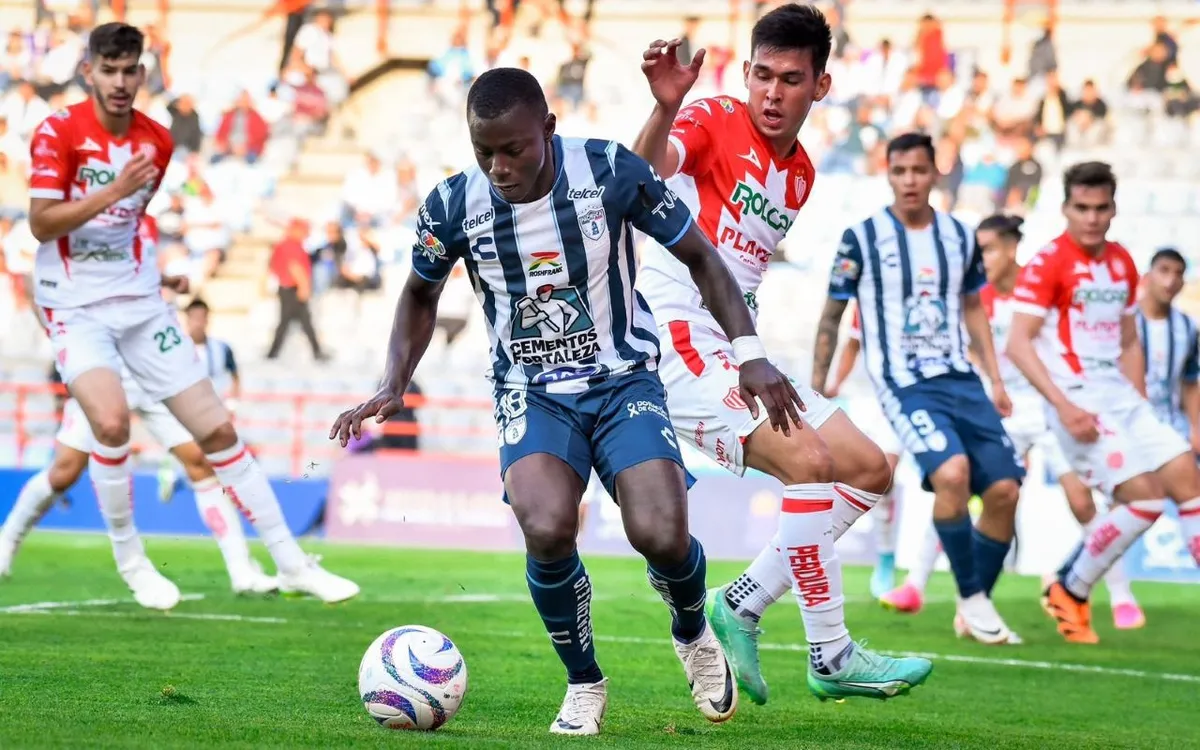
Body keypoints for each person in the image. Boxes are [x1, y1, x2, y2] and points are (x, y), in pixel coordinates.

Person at [329, 67, 805, 736]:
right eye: (483, 150)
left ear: (548, 130)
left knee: (661, 536)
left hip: (623, 380)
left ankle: (694, 631)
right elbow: (418, 293)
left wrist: (751, 352)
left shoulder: (610, 171)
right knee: (547, 525)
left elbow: (700, 255)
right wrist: (392, 380)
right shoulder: (451, 206)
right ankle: (584, 682)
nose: (498, 167)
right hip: (531, 392)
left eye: (513, 149)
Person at [632, 4, 932, 706]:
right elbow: (644, 173)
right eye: (761, 75)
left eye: (790, 80)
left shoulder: (799, 174)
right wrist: (663, 107)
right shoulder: (709, 118)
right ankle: (830, 652)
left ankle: (738, 604)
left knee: (868, 467)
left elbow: (740, 272)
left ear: (820, 87)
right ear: (745, 74)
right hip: (677, 338)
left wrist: (749, 352)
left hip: (740, 344)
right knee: (810, 463)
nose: (772, 92)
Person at [26, 22, 357, 609]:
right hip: (74, 307)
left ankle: (292, 562)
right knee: (109, 425)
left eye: (131, 70)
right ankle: (132, 561)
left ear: (142, 73)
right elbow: (43, 222)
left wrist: (158, 275)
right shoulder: (58, 131)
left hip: (139, 302)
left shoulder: (157, 139)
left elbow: (128, 227)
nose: (121, 82)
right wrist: (110, 190)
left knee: (220, 432)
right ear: (88, 72)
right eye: (109, 70)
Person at [879, 214, 1144, 631]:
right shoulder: (977, 297)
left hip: (1047, 406)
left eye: (986, 250)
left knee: (1081, 502)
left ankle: (1120, 595)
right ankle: (917, 584)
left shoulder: (1037, 288)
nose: (978, 260)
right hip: (998, 408)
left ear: (1010, 248)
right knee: (958, 487)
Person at [816, 133, 1026, 645]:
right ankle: (972, 597)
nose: (909, 180)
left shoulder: (959, 237)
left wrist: (995, 378)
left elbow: (974, 307)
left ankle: (975, 602)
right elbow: (832, 316)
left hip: (961, 378)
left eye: (918, 170)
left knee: (1004, 490)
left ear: (935, 173)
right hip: (903, 384)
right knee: (951, 473)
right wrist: (818, 388)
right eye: (899, 171)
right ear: (888, 175)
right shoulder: (860, 238)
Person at [1007, 162, 1200, 643]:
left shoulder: (1121, 262)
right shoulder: (1048, 262)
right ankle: (1072, 587)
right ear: (1066, 208)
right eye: (1082, 208)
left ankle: (1070, 585)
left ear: (1113, 208)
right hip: (1076, 401)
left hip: (1122, 399)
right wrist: (1063, 407)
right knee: (1148, 498)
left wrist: (1138, 399)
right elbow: (1018, 343)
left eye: (1101, 208)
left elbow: (1130, 340)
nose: (1092, 218)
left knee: (1188, 481)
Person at [0, 370, 280, 597]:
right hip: (103, 372)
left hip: (150, 372)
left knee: (200, 462)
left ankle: (241, 570)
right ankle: (7, 541)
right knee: (65, 471)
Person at [824, 302, 909, 600]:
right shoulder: (867, 297)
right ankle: (818, 556)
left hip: (900, 398)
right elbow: (852, 344)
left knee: (885, 474)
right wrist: (834, 383)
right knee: (846, 474)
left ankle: (885, 557)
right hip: (864, 398)